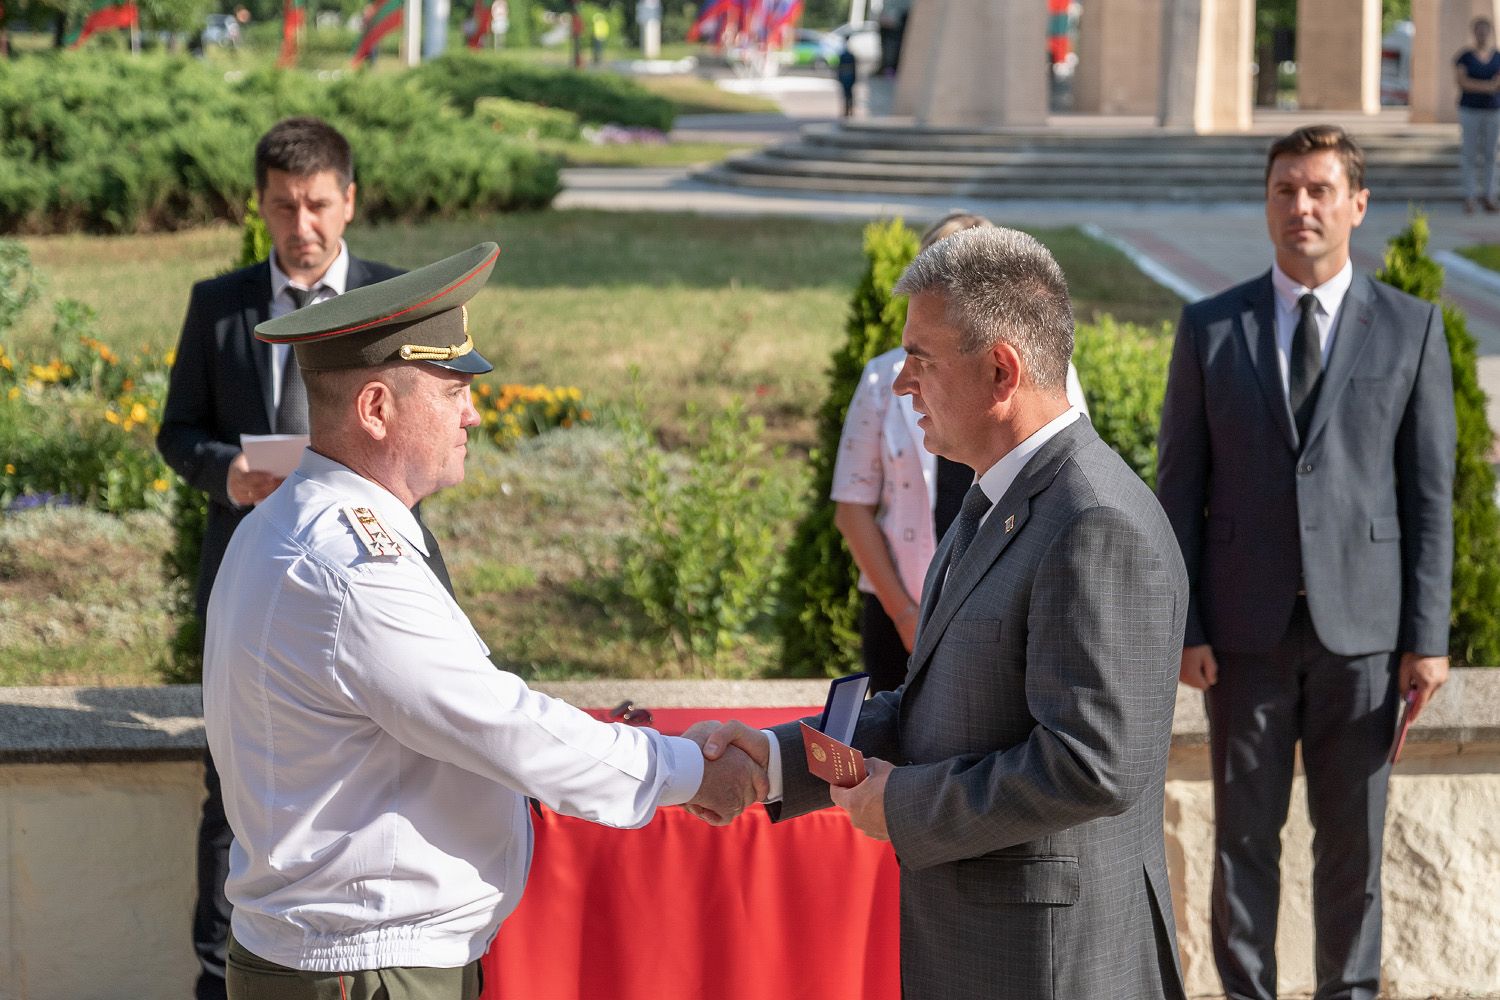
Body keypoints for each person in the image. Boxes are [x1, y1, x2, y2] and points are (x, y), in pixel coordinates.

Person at [206, 243, 765, 1000]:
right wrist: (687, 771)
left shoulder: (289, 524)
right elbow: (503, 726)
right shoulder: (350, 566)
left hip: (352, 957)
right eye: (451, 391)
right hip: (363, 969)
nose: (473, 412)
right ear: (376, 409)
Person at [697, 226, 1190, 1000]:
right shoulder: (995, 496)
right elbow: (934, 711)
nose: (901, 384)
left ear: (1000, 371)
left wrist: (903, 803)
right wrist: (775, 759)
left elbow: (1092, 766)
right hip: (992, 949)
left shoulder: (1093, 521)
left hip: (1051, 965)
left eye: (920, 360)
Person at [1155, 124, 1455, 1000]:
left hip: (1365, 637)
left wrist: (1427, 637)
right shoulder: (1211, 328)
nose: (1302, 207)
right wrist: (1187, 626)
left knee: (1353, 842)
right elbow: (1178, 489)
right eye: (1285, 189)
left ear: (1357, 204)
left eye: (1320, 189)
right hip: (1241, 638)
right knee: (1243, 842)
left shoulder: (1411, 327)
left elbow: (1430, 495)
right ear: (1267, 202)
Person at [157, 115, 403, 1000]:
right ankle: (216, 973)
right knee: (233, 787)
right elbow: (177, 431)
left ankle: (361, 964)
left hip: (368, 587)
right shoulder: (218, 305)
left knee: (374, 775)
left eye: (318, 205)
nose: (302, 225)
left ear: (349, 202)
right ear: (259, 206)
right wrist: (228, 473)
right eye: (283, 206)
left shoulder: (393, 299)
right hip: (250, 580)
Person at [832, 212, 1088, 691]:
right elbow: (852, 508)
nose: (907, 384)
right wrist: (906, 614)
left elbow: (1068, 479)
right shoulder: (883, 378)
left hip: (1002, 613)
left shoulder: (1046, 377)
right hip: (900, 613)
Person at [1456, 17, 1500, 213]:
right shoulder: (1465, 57)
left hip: (1493, 111)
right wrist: (1488, 86)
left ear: (1490, 32)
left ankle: (1490, 196)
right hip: (1470, 110)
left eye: (1485, 30)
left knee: (1491, 155)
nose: (1482, 34)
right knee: (1470, 154)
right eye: (1478, 30)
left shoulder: (1497, 57)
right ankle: (1470, 197)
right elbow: (1462, 82)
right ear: (1474, 32)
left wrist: (1478, 86)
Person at [835, 45, 858, 119]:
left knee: (846, 94)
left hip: (845, 77)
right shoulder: (850, 56)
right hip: (849, 77)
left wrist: (839, 77)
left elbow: (839, 68)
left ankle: (847, 109)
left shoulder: (843, 56)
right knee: (849, 94)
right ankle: (849, 109)